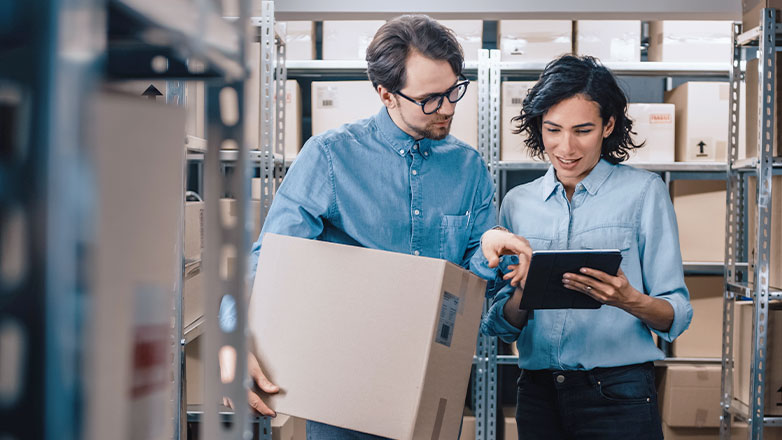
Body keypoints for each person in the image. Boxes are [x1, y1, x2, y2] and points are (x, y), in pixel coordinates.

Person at [220, 15, 498, 438]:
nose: (447, 108)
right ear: (386, 93)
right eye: (430, 99)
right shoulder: (330, 158)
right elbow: (269, 260)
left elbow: (474, 285)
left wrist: (491, 254)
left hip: (435, 387)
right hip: (345, 392)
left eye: (453, 91)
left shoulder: (470, 168)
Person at [474, 55, 693, 439]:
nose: (566, 147)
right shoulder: (517, 203)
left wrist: (629, 300)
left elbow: (676, 314)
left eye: (583, 130)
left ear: (608, 125)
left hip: (618, 394)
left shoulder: (644, 193)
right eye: (553, 129)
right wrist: (524, 290)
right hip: (538, 393)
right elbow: (500, 326)